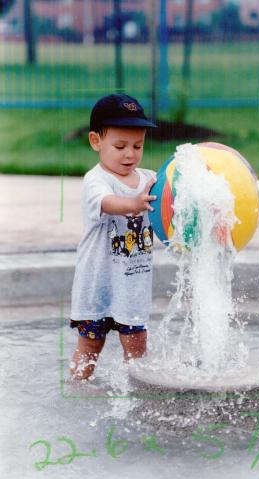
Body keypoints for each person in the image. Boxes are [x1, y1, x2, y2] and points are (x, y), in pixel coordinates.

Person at [69, 93, 158, 380]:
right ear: (96, 141)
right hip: (96, 283)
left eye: (137, 145)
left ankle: (137, 394)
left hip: (133, 285)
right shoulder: (96, 180)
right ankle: (78, 387)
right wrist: (135, 203)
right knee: (90, 344)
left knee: (137, 344)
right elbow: (108, 203)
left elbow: (176, 203)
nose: (130, 154)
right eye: (120, 146)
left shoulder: (149, 180)